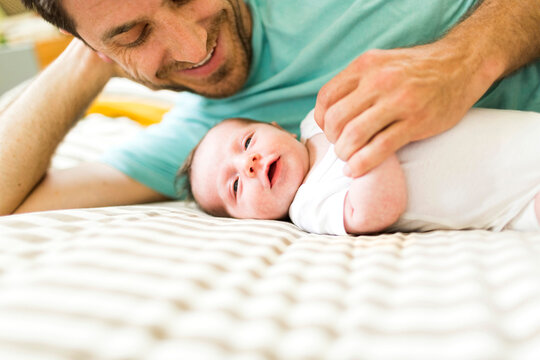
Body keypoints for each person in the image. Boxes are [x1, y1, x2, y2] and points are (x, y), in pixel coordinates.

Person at [1, 0, 540, 215]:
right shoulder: (207, 144)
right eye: (135, 33)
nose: (194, 49)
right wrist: (89, 57)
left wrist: (465, 59)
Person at [180, 108, 540, 235]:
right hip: (514, 200)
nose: (249, 163)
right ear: (247, 221)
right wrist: (366, 145)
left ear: (279, 128)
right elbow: (377, 208)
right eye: (236, 186)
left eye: (247, 143)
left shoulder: (318, 120)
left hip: (516, 132)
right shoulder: (308, 206)